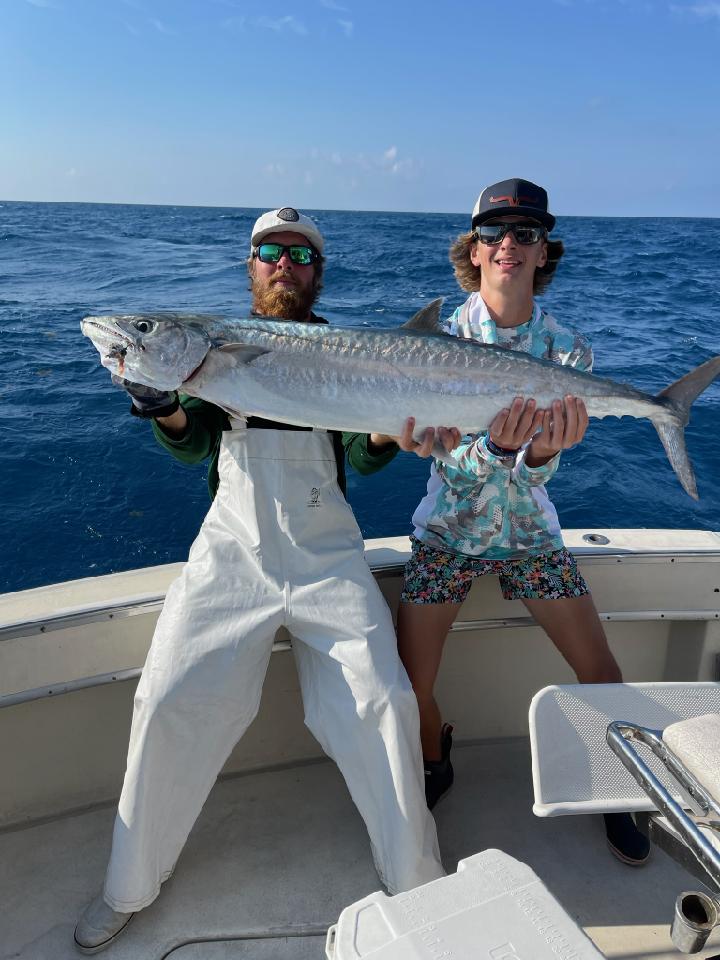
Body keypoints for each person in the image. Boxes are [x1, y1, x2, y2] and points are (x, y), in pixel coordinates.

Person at [74, 207, 448, 954]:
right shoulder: (217, 349)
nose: (285, 263)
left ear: (317, 273)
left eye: (300, 255)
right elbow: (194, 448)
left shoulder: (347, 351)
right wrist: (166, 409)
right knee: (167, 695)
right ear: (251, 266)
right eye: (270, 251)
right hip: (231, 554)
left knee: (385, 700)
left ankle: (420, 889)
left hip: (328, 555)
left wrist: (389, 429)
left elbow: (365, 454)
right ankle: (129, 886)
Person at [395, 179, 651, 867]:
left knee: (598, 664)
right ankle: (433, 757)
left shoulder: (568, 351)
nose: (508, 242)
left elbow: (541, 474)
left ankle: (623, 784)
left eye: (526, 232)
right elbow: (449, 466)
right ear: (473, 251)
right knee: (410, 681)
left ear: (544, 253)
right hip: (449, 530)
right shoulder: (432, 342)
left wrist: (535, 451)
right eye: (493, 232)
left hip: (529, 533)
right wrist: (498, 448)